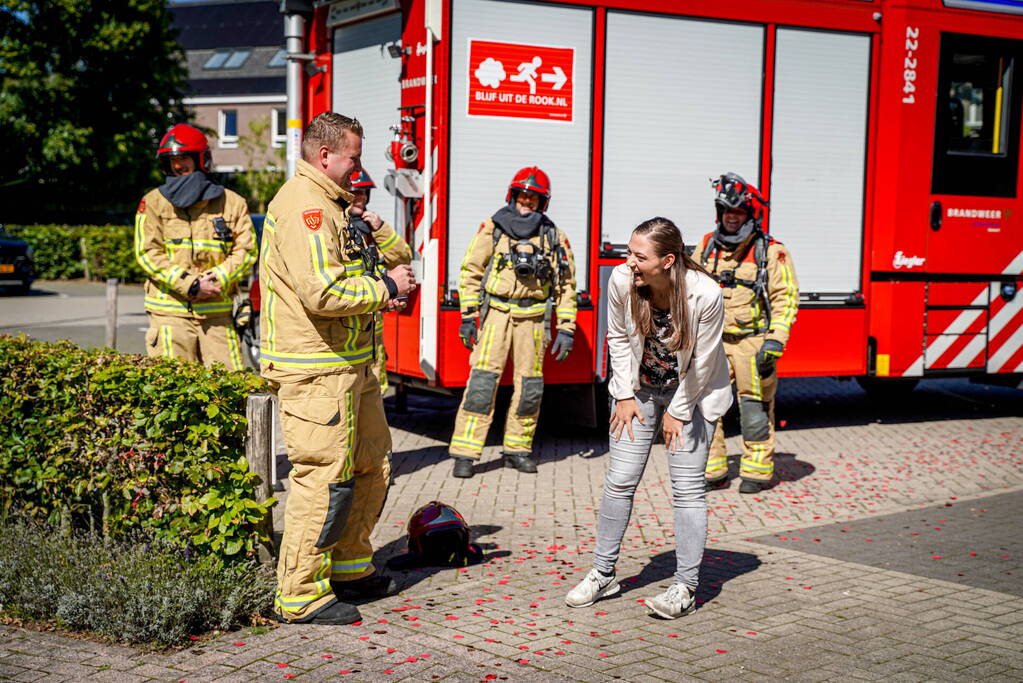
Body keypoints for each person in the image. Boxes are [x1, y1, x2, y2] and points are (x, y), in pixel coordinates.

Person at [259, 112, 417, 625]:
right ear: (325, 156)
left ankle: (350, 566)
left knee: (373, 464)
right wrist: (387, 289)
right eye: (352, 156)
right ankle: (299, 594)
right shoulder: (305, 207)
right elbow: (321, 291)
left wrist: (380, 272)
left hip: (353, 364)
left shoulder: (335, 204)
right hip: (315, 369)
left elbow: (359, 270)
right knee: (322, 477)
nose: (358, 166)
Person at [565, 217, 731, 619]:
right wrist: (622, 393)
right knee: (619, 480)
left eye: (639, 256)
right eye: (629, 252)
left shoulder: (705, 294)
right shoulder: (622, 280)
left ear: (668, 260)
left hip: (692, 392)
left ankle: (685, 587)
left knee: (688, 489)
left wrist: (678, 410)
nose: (629, 262)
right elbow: (618, 338)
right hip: (638, 388)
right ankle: (603, 574)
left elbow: (705, 363)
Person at [448, 167, 577, 478]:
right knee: (481, 383)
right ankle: (465, 453)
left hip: (533, 319)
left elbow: (567, 284)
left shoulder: (554, 236)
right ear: (512, 195)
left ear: (542, 203)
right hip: (497, 316)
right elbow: (470, 272)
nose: (526, 202)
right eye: (522, 195)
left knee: (530, 388)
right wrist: (468, 316)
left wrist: (568, 328)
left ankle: (517, 449)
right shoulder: (492, 228)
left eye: (533, 198)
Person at [698, 173, 799, 494]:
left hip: (752, 342)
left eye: (738, 211)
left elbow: (786, 298)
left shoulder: (771, 251)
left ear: (750, 214)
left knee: (754, 409)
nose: (731, 216)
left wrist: (774, 341)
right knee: (706, 406)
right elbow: (688, 289)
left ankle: (757, 470)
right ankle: (713, 470)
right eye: (726, 210)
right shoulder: (706, 246)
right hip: (713, 342)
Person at [134, 124, 255, 369]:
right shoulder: (153, 203)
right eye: (172, 160)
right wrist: (190, 284)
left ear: (202, 160)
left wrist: (218, 277)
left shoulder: (232, 203)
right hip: (170, 315)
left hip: (217, 315)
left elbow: (247, 249)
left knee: (228, 388)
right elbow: (147, 253)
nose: (178, 165)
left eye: (184, 158)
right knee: (173, 392)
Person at [348, 169, 412, 394]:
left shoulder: (373, 228)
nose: (361, 198)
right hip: (350, 318)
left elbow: (403, 257)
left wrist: (380, 228)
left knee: (373, 385)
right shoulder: (339, 226)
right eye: (356, 193)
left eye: (364, 194)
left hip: (373, 320)